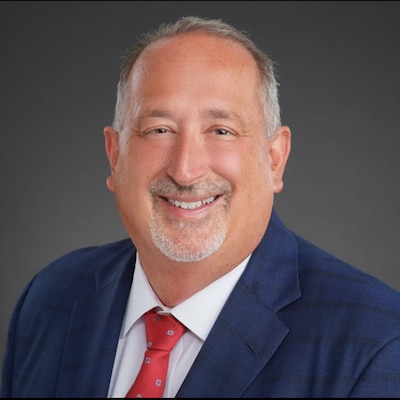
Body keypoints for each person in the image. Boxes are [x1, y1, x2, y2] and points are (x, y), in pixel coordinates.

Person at [2, 15, 400, 398]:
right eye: (159, 130)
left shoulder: (375, 342)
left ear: (275, 159)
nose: (186, 170)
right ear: (115, 154)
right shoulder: (51, 297)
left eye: (221, 131)